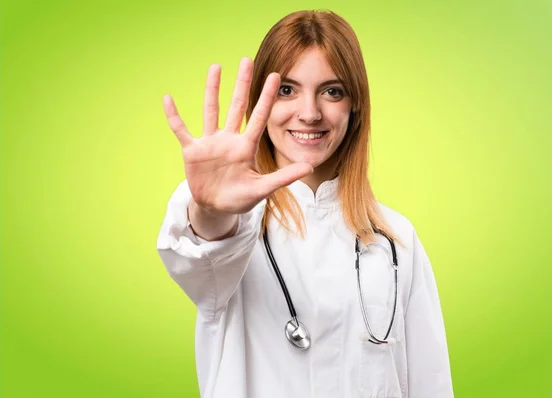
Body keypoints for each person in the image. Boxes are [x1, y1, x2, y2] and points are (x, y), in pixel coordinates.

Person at [157, 9, 453, 398]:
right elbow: (198, 254)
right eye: (287, 90)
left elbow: (430, 383)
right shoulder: (235, 228)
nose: (310, 114)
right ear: (258, 103)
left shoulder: (396, 241)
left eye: (332, 91)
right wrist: (210, 209)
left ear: (355, 107)